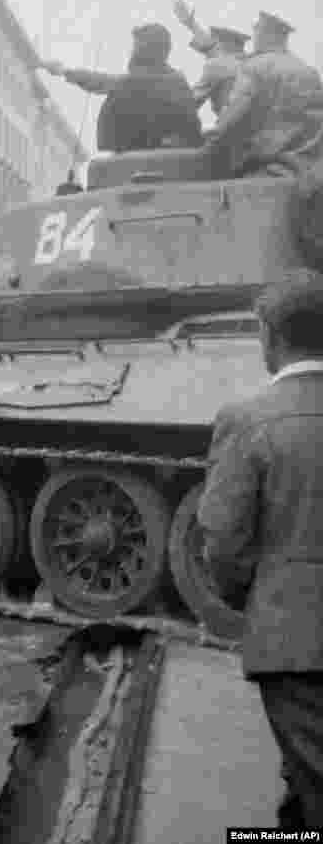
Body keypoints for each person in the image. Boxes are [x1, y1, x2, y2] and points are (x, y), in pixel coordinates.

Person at [198, 268, 323, 830]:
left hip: (291, 641)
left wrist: (264, 597)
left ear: (268, 336)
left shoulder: (246, 419)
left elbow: (223, 543)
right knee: (302, 783)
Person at [40, 23, 202, 152]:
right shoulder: (179, 83)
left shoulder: (128, 84)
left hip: (127, 160)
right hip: (176, 160)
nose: (131, 50)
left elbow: (97, 81)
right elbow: (192, 129)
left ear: (140, 50)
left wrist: (63, 71)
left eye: (135, 46)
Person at [205, 11, 323, 179]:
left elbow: (232, 115)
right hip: (305, 166)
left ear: (268, 34)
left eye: (257, 29)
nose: (255, 35)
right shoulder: (308, 71)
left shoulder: (255, 67)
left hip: (265, 167)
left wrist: (212, 138)